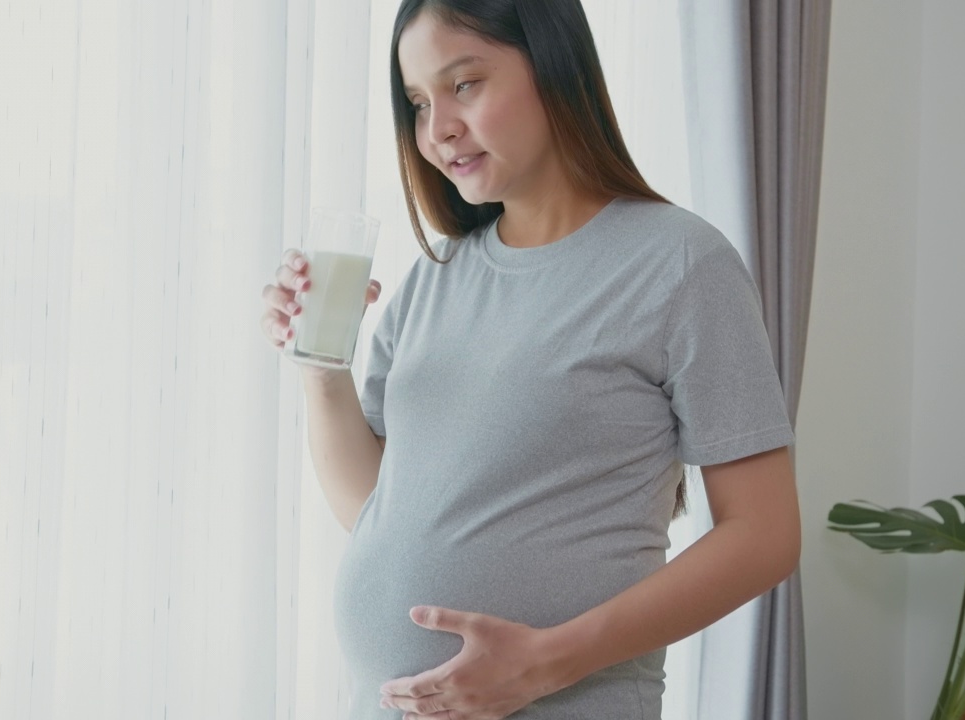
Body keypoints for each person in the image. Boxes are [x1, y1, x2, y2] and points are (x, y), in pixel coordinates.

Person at [259, 0, 801, 718]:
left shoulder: (679, 265)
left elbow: (764, 536)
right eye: (418, 102)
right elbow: (377, 511)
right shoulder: (437, 273)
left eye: (465, 84)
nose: (438, 128)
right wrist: (320, 365)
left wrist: (546, 663)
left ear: (553, 66)